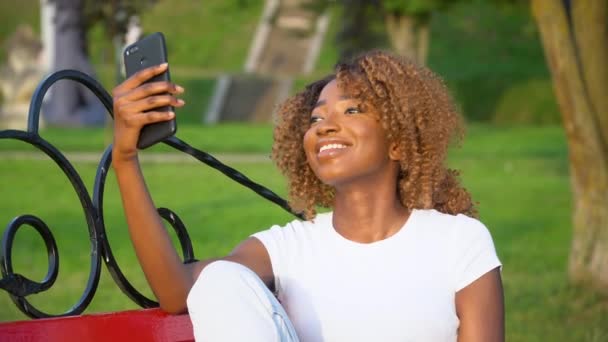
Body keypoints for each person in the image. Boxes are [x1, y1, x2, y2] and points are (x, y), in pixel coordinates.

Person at [111, 50, 504, 342]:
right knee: (220, 279)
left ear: (398, 142)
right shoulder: (288, 249)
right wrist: (125, 158)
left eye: (352, 111)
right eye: (316, 118)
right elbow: (176, 291)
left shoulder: (459, 242)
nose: (325, 127)